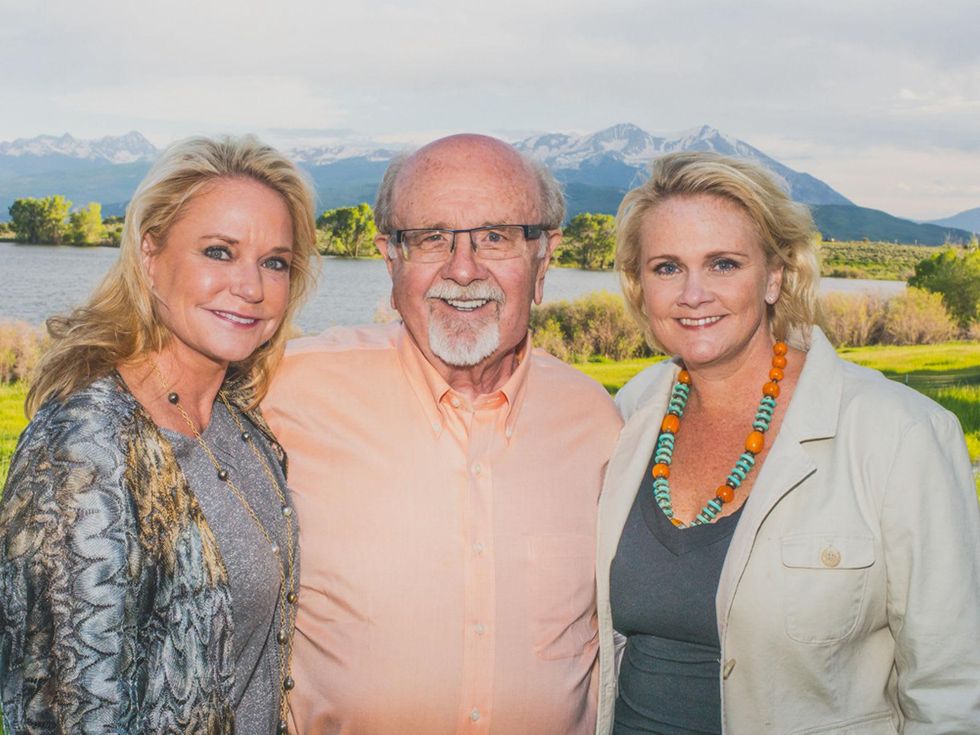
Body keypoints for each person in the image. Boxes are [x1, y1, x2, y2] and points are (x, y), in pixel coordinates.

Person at [594, 151, 980, 734]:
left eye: (723, 263)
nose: (693, 293)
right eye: (667, 267)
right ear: (639, 284)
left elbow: (953, 687)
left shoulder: (900, 436)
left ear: (775, 275)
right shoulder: (631, 413)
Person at [262, 134, 623, 734]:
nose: (462, 269)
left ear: (544, 256)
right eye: (431, 237)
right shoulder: (287, 391)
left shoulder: (598, 424)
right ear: (389, 257)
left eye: (496, 236)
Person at [0, 135, 319, 734]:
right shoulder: (86, 450)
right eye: (220, 252)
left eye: (275, 261)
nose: (251, 287)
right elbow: (69, 712)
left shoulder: (239, 420)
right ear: (150, 255)